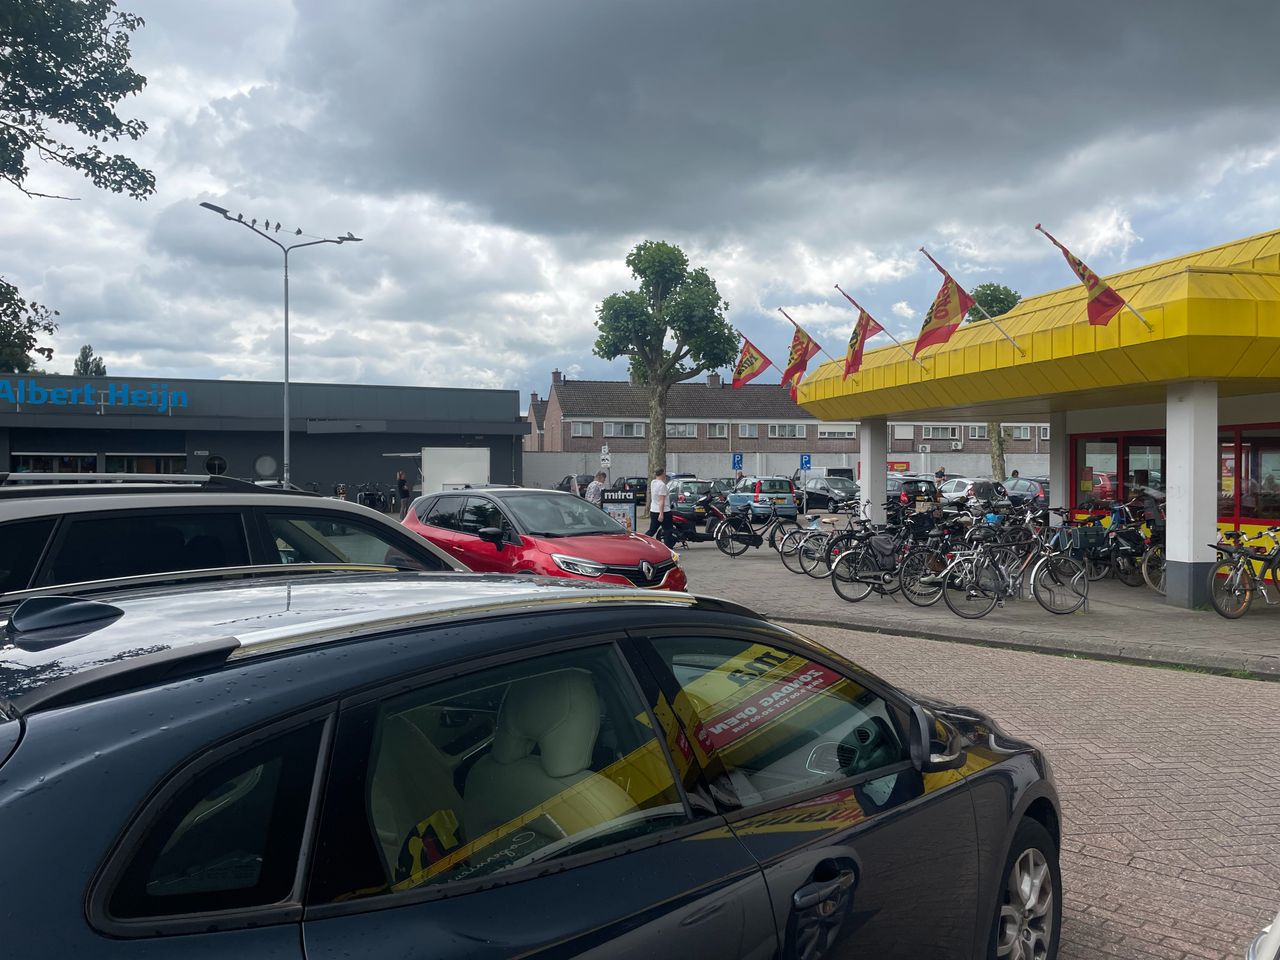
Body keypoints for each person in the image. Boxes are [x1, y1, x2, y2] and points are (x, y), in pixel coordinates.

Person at [646, 467, 674, 547]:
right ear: (662, 474)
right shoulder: (662, 485)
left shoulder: (653, 482)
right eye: (664, 473)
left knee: (652, 530)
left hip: (653, 510)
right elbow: (661, 500)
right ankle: (669, 549)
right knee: (668, 531)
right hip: (664, 511)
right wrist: (661, 514)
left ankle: (641, 543)